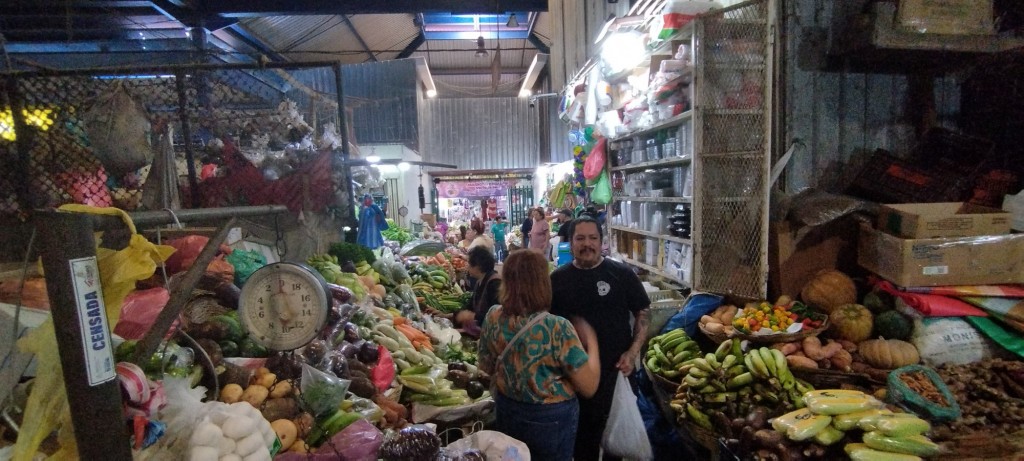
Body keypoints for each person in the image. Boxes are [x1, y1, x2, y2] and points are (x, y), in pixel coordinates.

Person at [478, 250, 602, 461]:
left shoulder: (493, 316)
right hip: (550, 420)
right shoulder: (556, 327)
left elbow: (485, 366)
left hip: (508, 410)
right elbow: (589, 387)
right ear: (543, 283)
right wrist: (592, 341)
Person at [550, 215, 651, 461]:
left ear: (601, 241)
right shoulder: (557, 280)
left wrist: (632, 353)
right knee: (582, 444)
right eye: (580, 238)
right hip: (574, 379)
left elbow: (643, 312)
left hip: (615, 374)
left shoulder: (621, 274)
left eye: (593, 238)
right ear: (570, 243)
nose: (587, 244)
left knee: (615, 445)